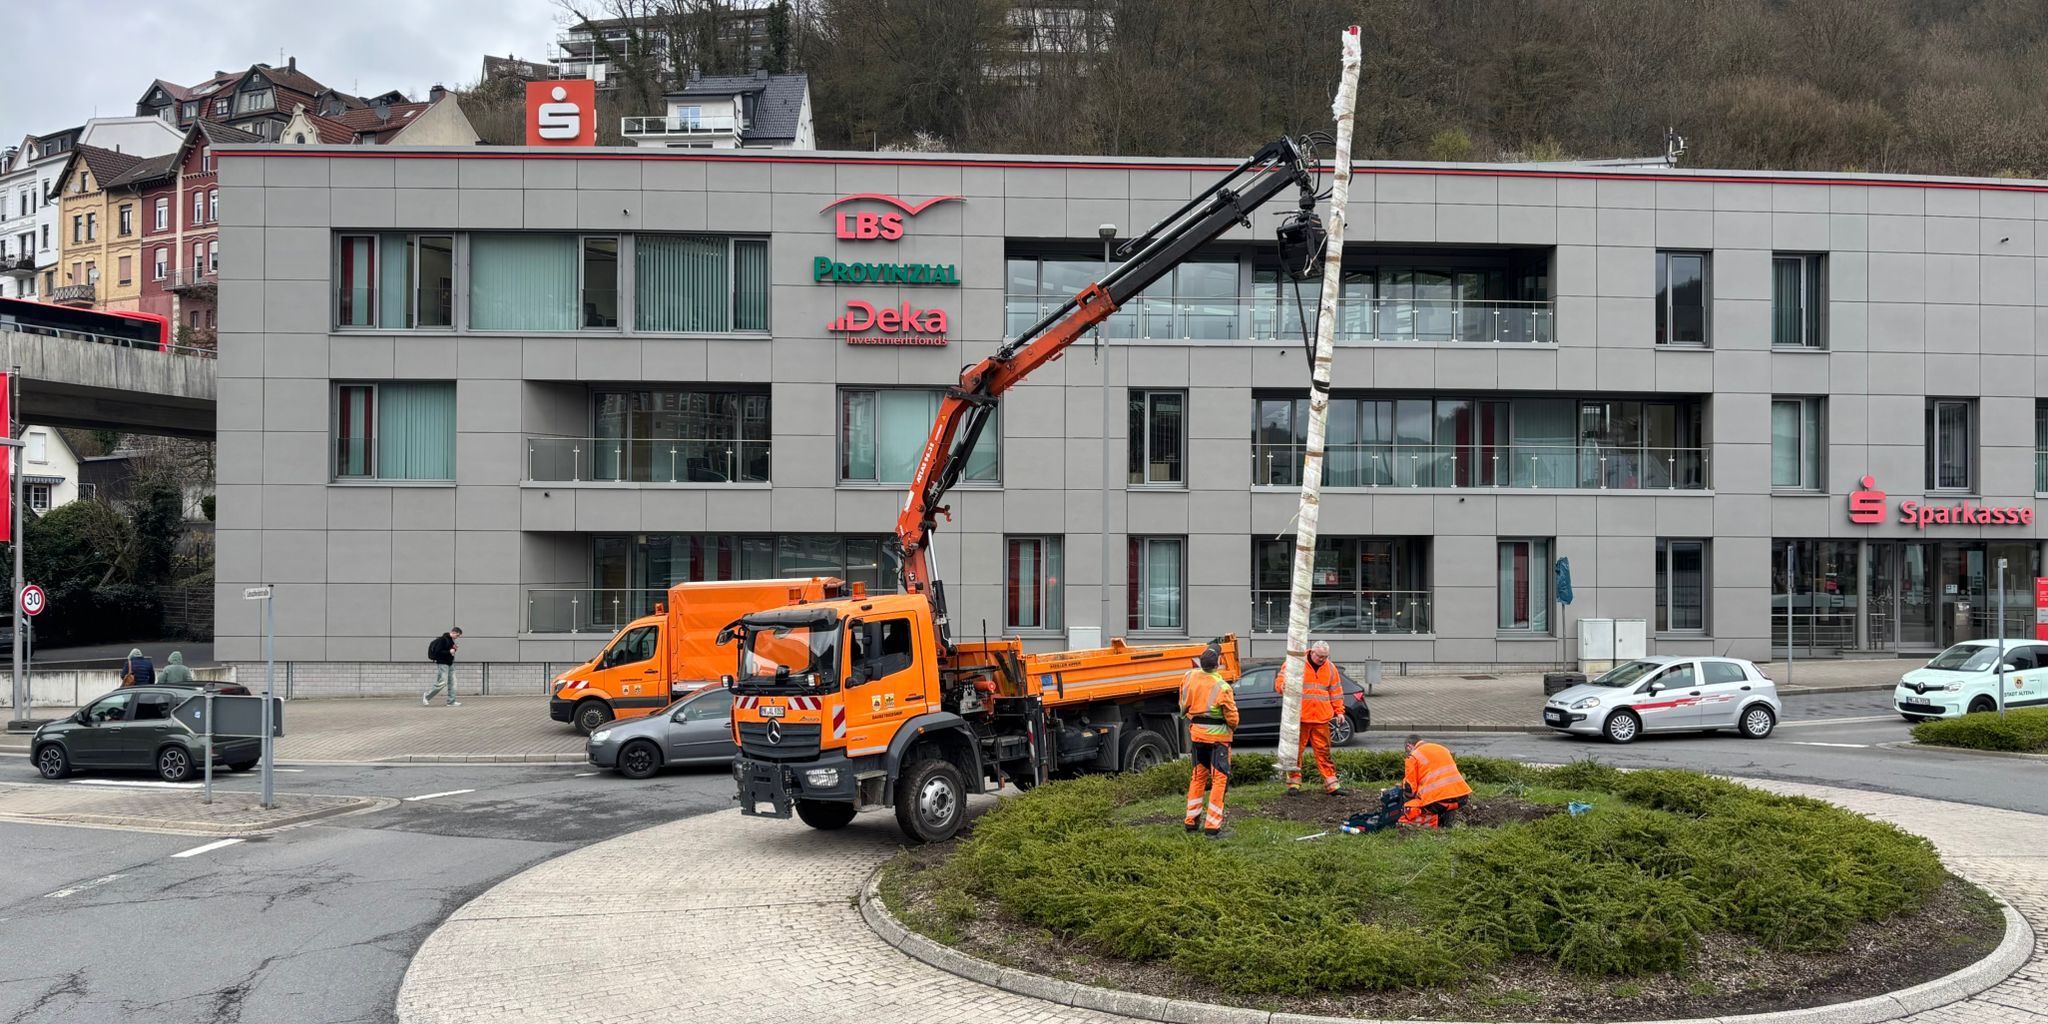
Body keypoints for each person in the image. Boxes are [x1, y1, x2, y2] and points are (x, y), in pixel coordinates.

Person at [1179, 643, 1238, 840]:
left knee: (1198, 777)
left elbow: (1183, 706)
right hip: (1218, 739)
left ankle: (1191, 821)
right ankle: (1212, 827)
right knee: (1219, 780)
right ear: (1218, 663)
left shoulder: (1189, 678)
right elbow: (1232, 718)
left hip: (1197, 735)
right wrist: (1231, 727)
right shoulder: (1223, 687)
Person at [1278, 640, 1347, 796]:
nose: (1322, 659)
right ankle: (1293, 784)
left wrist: (1339, 711)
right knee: (1295, 752)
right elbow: (1280, 680)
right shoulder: (1296, 663)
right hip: (1300, 717)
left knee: (1324, 752)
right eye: (1320, 656)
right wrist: (1282, 686)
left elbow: (1336, 691)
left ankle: (1332, 785)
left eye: (1325, 656)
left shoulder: (1330, 668)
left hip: (1320, 718)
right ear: (1312, 652)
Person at [1399, 734, 1472, 828]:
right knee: (1443, 798)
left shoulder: (1413, 756)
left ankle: (1429, 825)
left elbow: (1410, 789)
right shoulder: (1442, 749)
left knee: (1410, 807)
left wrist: (1405, 800)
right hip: (1460, 798)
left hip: (1438, 802)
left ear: (1409, 746)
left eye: (1407, 751)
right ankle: (1447, 823)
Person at [423, 627, 463, 707]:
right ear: (453, 632)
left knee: (453, 683)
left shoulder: (451, 640)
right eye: (457, 635)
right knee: (442, 682)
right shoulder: (443, 639)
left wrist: (454, 650)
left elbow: (449, 652)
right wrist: (449, 651)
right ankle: (426, 696)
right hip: (443, 664)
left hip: (450, 664)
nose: (457, 637)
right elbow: (438, 652)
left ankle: (451, 701)